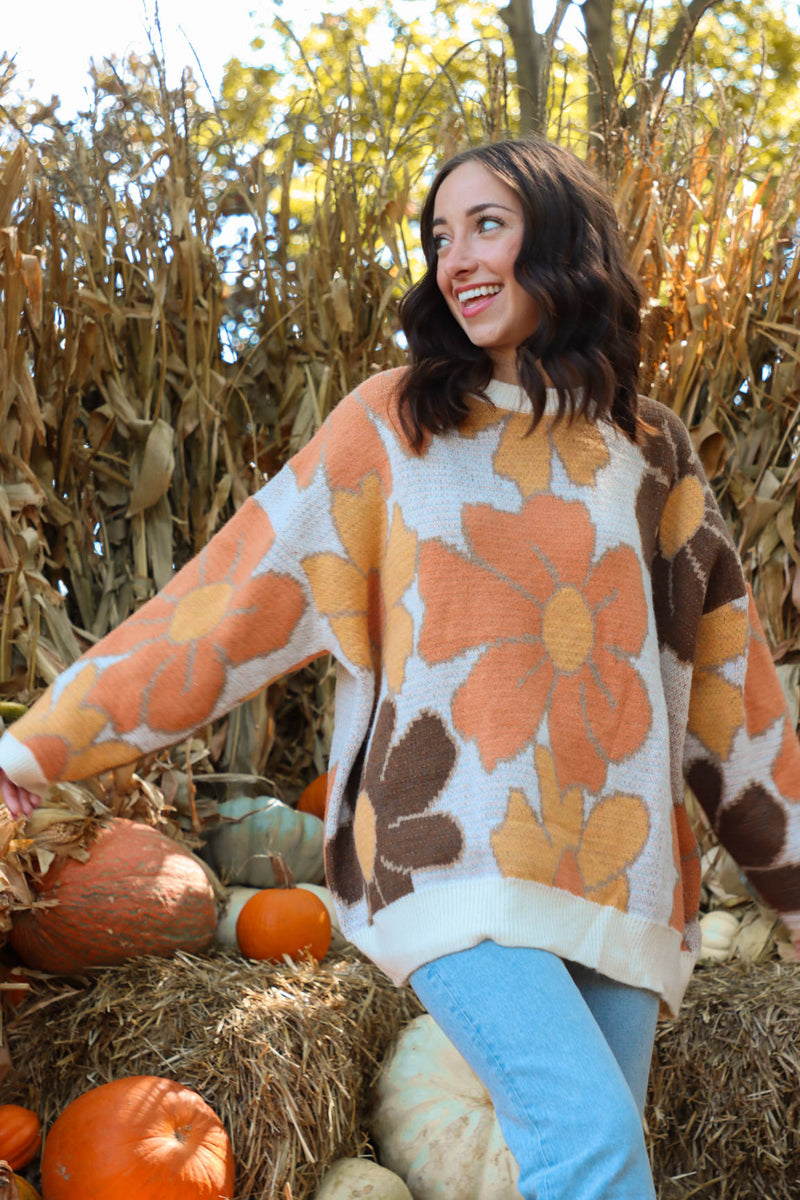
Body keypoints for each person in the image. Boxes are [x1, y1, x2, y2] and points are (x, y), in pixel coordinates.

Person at [1, 138, 799, 1199]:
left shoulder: (646, 450)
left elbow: (726, 692)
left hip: (621, 873)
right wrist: (32, 748)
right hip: (447, 853)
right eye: (438, 235)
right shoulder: (393, 423)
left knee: (602, 1164)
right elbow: (223, 604)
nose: (455, 258)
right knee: (591, 1147)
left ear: (559, 238)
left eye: (486, 225)